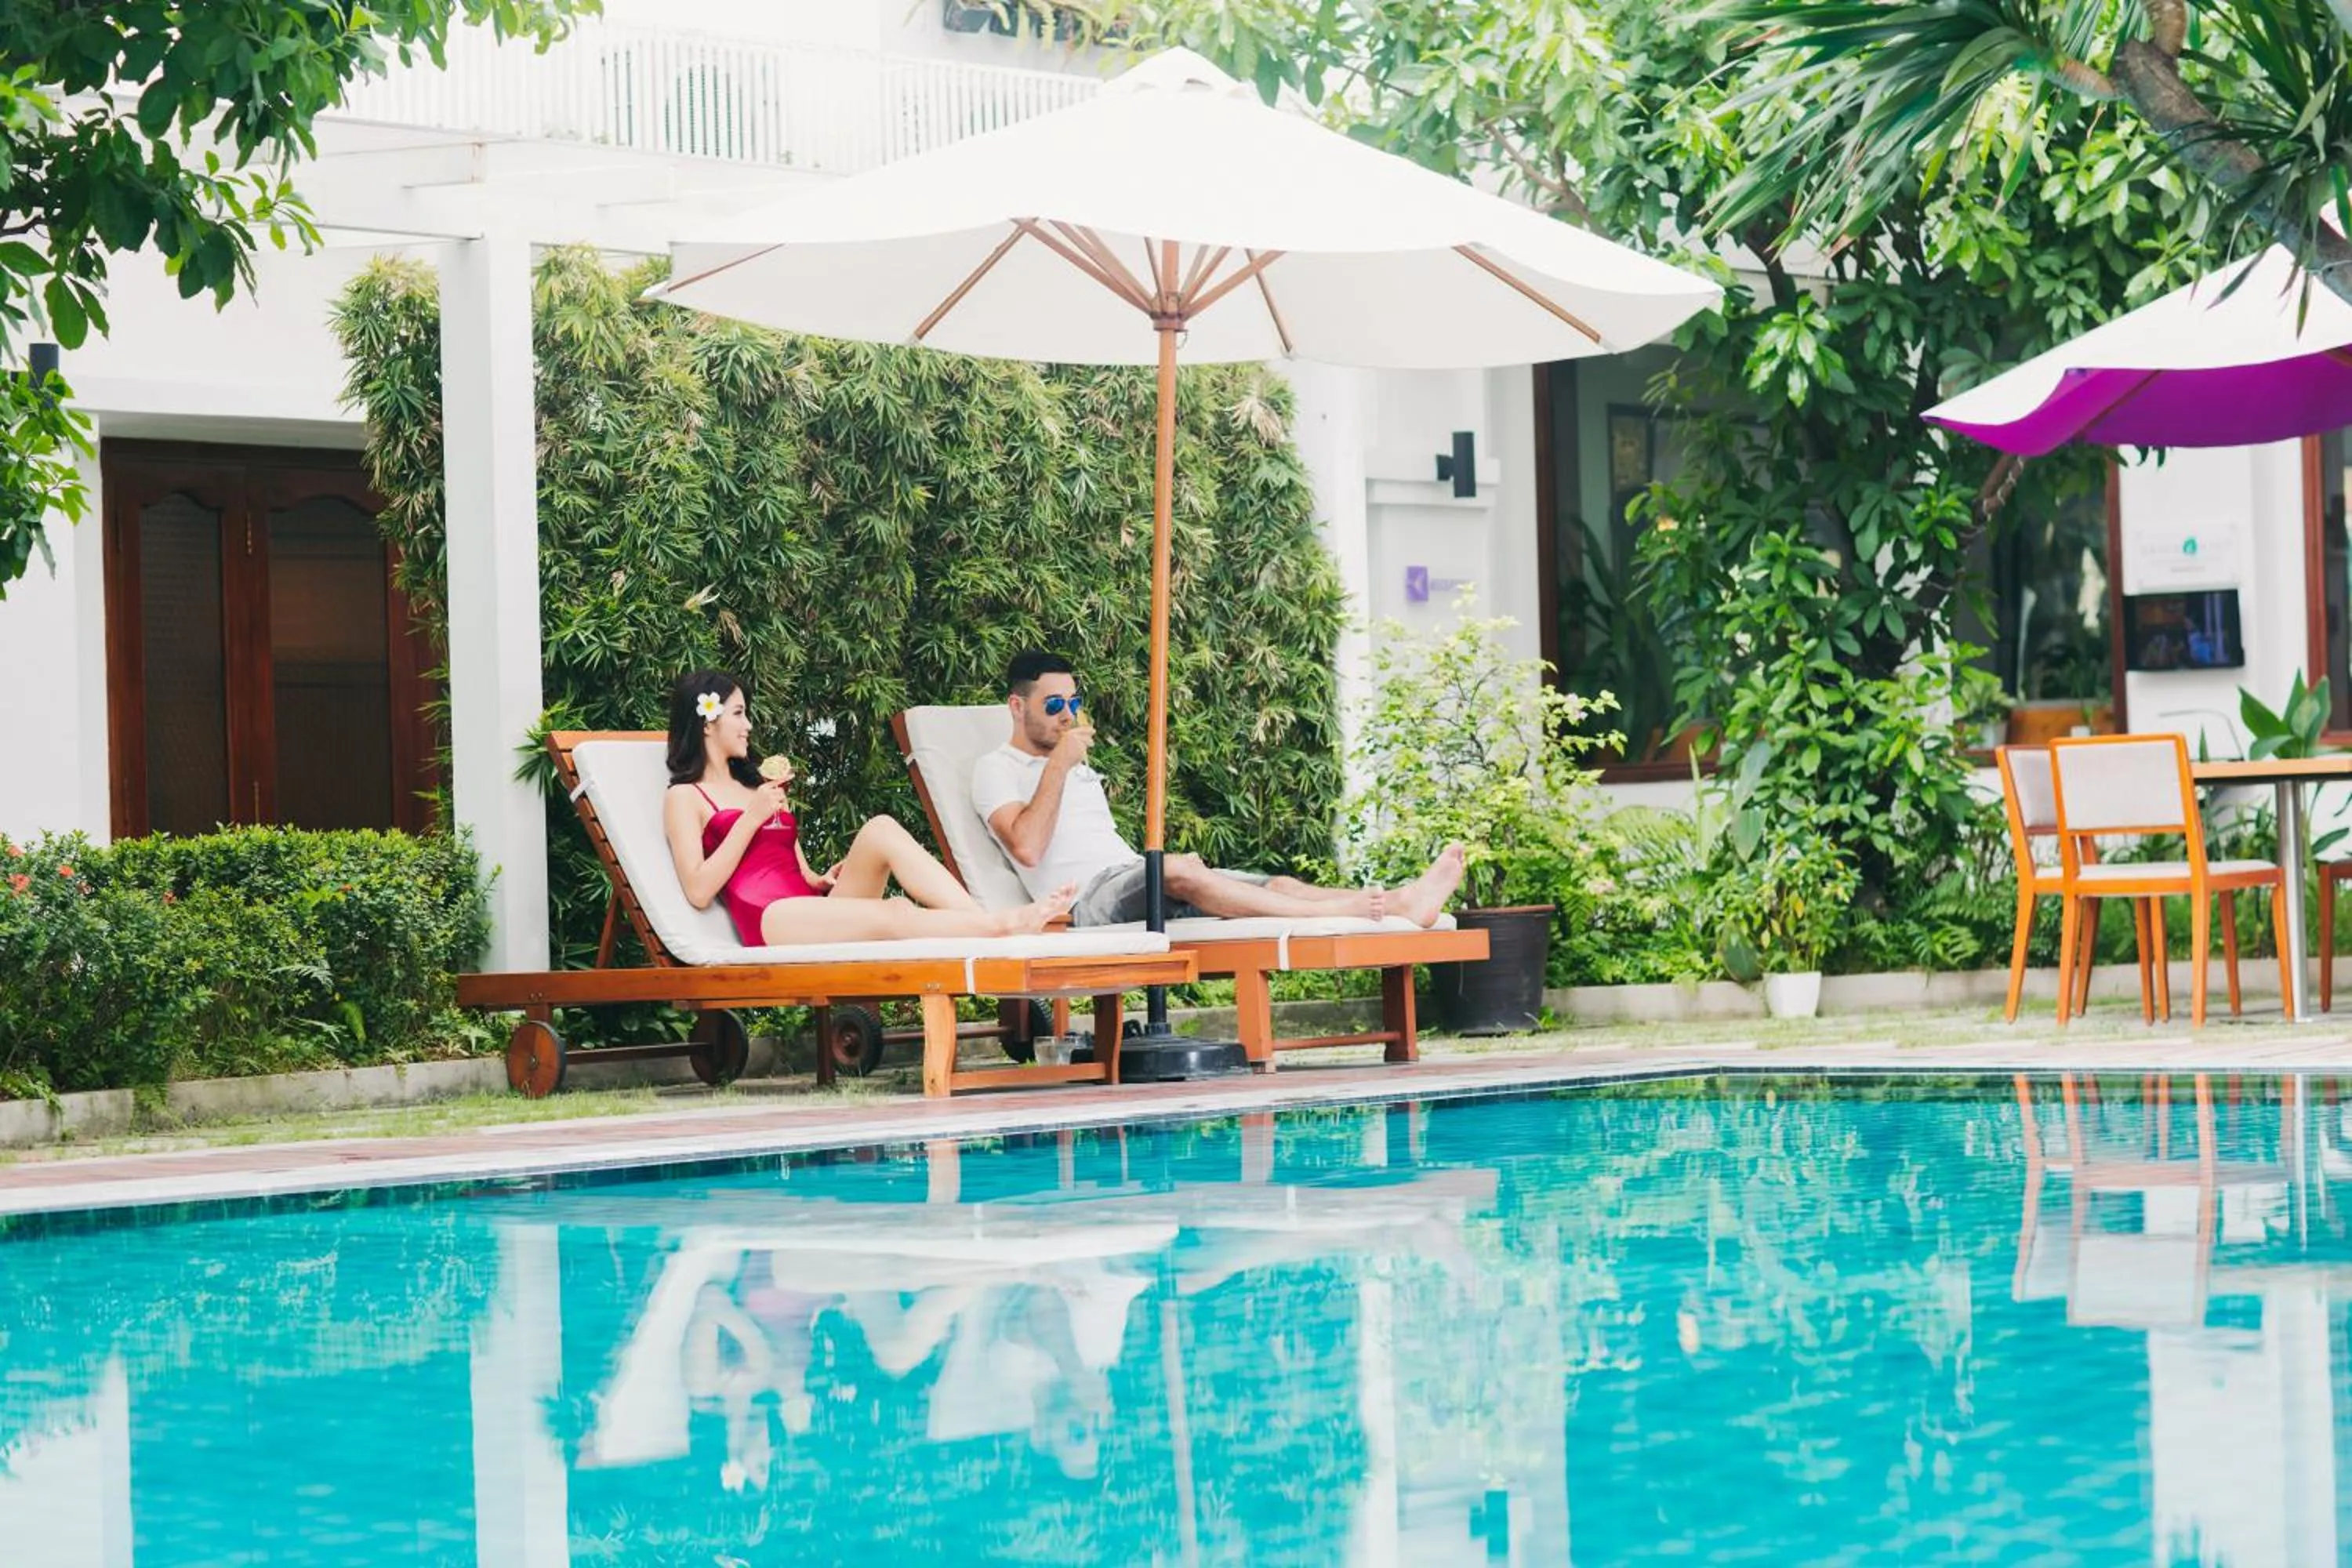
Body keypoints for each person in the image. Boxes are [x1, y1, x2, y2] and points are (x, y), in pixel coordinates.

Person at [971, 650, 1465, 928]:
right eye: (1053, 704)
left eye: (1073, 703)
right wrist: (1058, 765)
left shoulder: (1068, 759)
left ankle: (1400, 903)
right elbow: (1028, 848)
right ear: (1017, 707)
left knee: (1277, 885)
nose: (1067, 715)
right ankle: (1342, 911)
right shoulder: (996, 768)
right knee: (1178, 868)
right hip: (1085, 901)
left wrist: (1062, 763)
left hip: (1131, 876)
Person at [662, 669, 1075, 946]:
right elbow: (698, 890)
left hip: (807, 907)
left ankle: (981, 925)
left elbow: (796, 871)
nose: (749, 725)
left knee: (880, 828)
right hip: (767, 916)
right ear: (707, 721)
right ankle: (1000, 925)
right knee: (893, 911)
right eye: (739, 714)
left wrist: (820, 880)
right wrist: (751, 819)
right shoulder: (686, 796)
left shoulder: (757, 786)